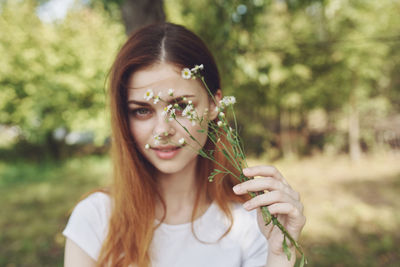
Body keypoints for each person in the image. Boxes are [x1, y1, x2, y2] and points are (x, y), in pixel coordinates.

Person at [63, 22, 306, 267]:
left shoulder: (251, 222)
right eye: (142, 111)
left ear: (214, 105)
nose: (162, 130)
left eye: (180, 107)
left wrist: (278, 256)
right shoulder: (95, 219)